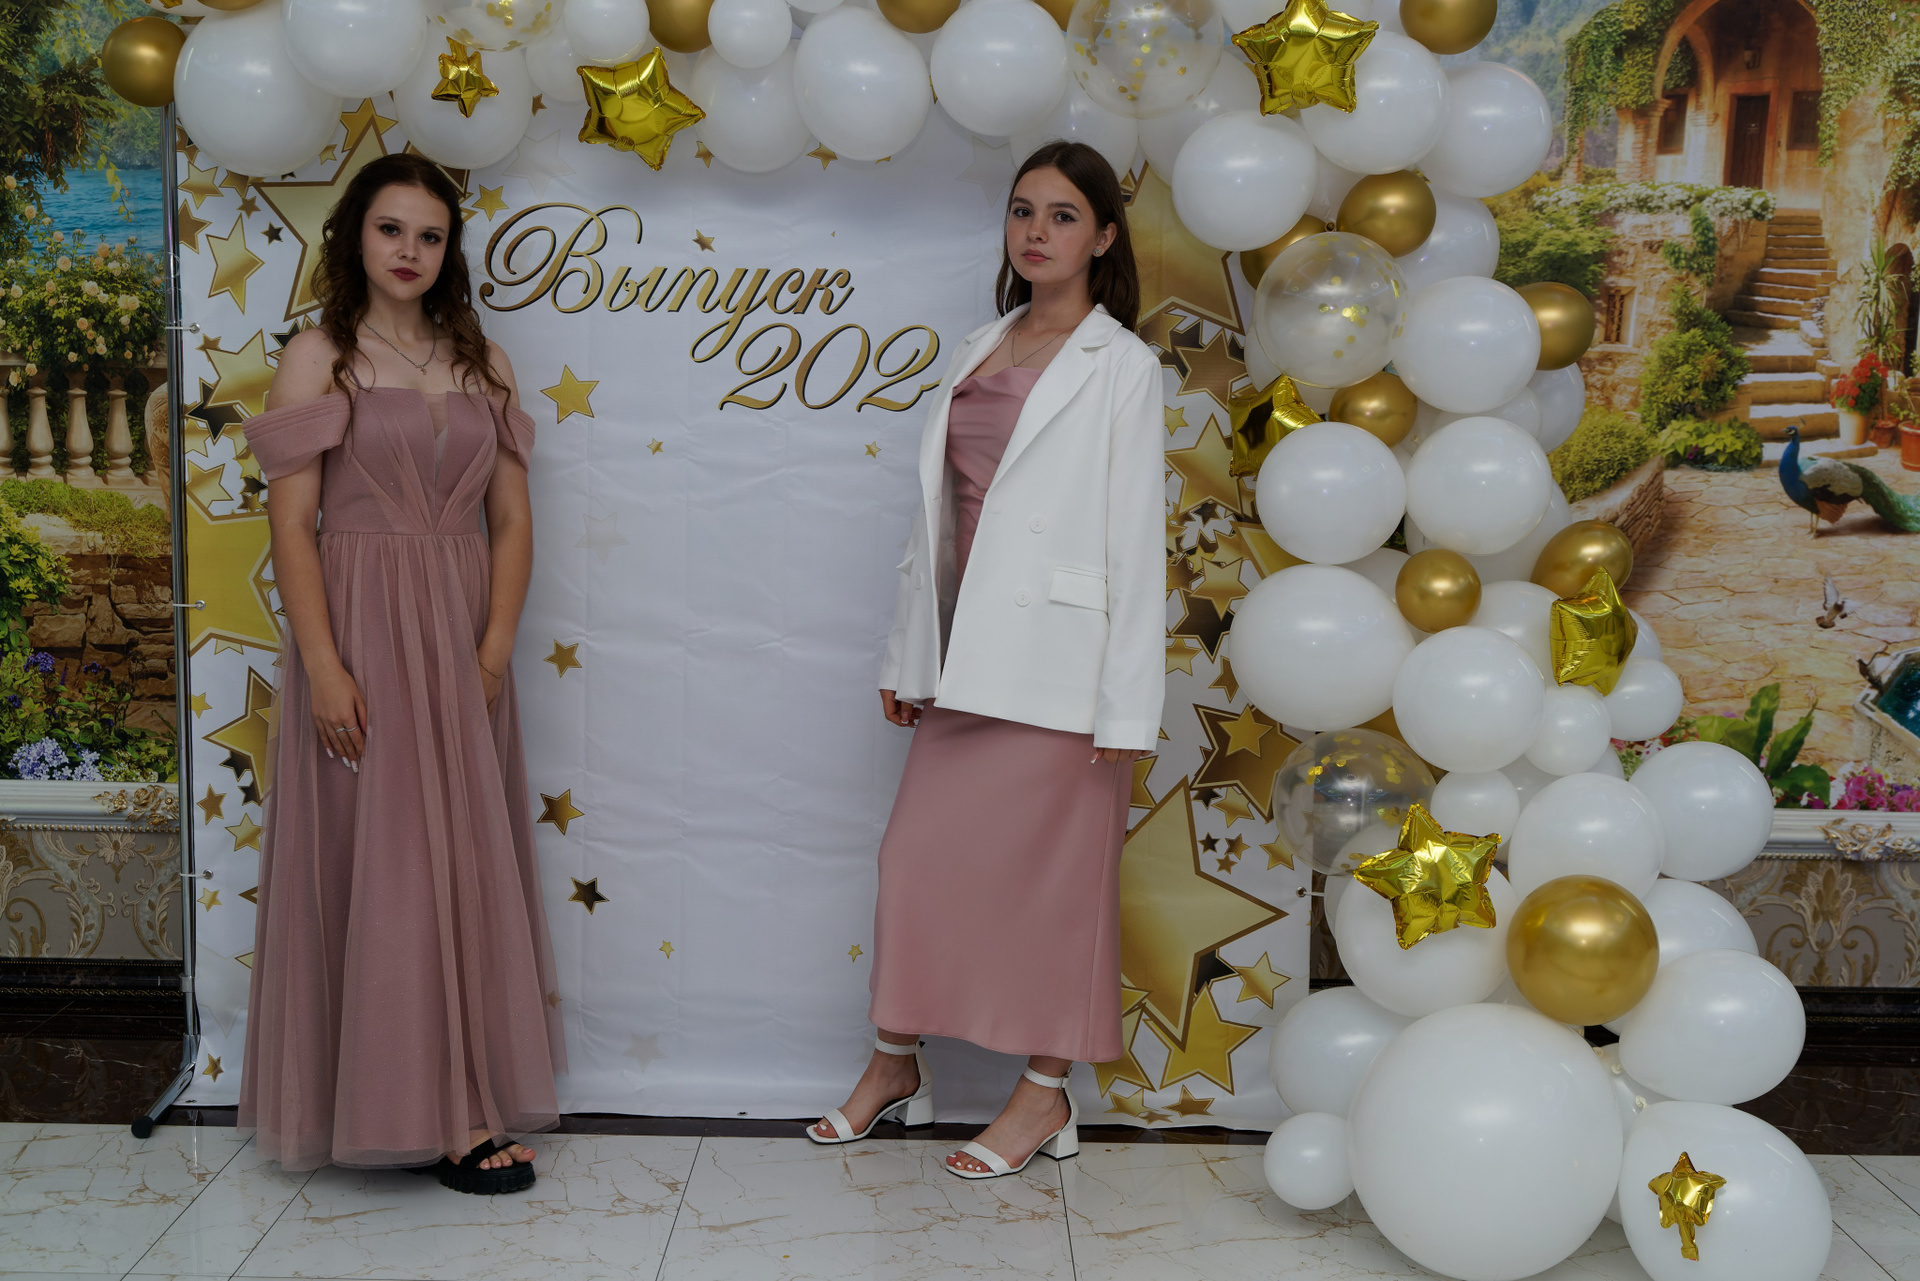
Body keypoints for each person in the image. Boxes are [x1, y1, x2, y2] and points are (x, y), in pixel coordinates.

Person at [811, 140, 1164, 1179]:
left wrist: (1126, 710)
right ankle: (894, 1063)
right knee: (914, 863)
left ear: (1103, 237)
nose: (1036, 232)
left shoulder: (1122, 366)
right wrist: (906, 650)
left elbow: (1134, 542)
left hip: (1063, 669)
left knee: (1055, 891)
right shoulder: (980, 344)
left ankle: (1044, 1093)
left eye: (1063, 215)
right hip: (962, 655)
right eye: (1022, 211)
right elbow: (937, 519)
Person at [236, 153, 563, 1195]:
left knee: (455, 861)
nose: (410, 251)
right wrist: (323, 665)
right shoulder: (318, 356)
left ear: (448, 249)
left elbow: (511, 520)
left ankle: (461, 1093)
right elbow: (292, 525)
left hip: (460, 638)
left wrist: (495, 648)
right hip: (361, 635)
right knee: (383, 863)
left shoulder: (485, 362)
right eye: (390, 229)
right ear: (355, 237)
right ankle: (410, 1106)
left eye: (429, 234)